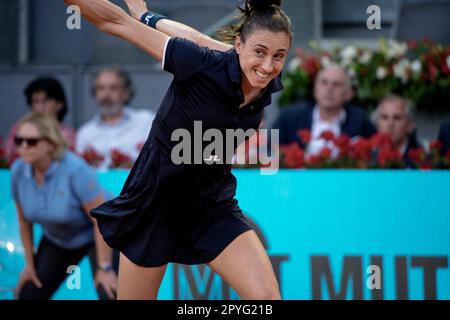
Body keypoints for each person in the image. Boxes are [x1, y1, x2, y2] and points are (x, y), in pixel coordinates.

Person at [63, 0, 291, 299]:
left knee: (267, 301)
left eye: (279, 56)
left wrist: (148, 15)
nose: (267, 66)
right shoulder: (199, 63)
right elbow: (116, 23)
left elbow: (198, 37)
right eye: (259, 52)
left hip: (212, 207)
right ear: (238, 45)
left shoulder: (265, 82)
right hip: (155, 204)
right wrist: (135, 18)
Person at [11, 113, 118, 300]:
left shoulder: (75, 169)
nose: (24, 147)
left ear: (51, 143)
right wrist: (29, 266)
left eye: (31, 141)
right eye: (19, 140)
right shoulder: (18, 171)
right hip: (59, 239)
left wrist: (105, 268)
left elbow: (100, 219)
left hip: (101, 233)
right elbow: (23, 221)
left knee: (110, 292)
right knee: (28, 293)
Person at [272, 65, 376, 156]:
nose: (329, 88)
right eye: (324, 82)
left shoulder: (360, 120)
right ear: (315, 89)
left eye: (336, 84)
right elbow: (269, 152)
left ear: (348, 94)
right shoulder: (289, 117)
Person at [76, 68, 155, 169]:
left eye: (113, 88)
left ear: (126, 93)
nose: (106, 94)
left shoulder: (146, 121)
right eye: (100, 88)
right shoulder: (85, 133)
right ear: (95, 94)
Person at [6, 77, 76, 164]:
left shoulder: (69, 134)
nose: (40, 107)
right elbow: (8, 159)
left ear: (60, 104)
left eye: (45, 101)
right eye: (36, 101)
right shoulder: (19, 129)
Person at [372, 94, 422, 168]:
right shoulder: (367, 158)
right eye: (384, 117)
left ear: (409, 125)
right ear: (377, 124)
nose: (390, 124)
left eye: (397, 118)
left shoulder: (422, 157)